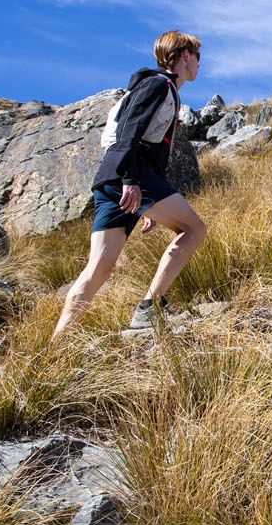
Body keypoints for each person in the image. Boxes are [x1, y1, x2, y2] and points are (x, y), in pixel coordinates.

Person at [51, 30, 207, 338]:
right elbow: (129, 131)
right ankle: (150, 308)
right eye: (198, 58)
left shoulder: (155, 87)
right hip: (130, 174)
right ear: (185, 55)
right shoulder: (158, 85)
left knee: (99, 268)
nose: (199, 66)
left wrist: (148, 203)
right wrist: (132, 181)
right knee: (194, 229)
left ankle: (57, 347)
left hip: (112, 178)